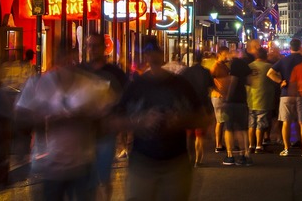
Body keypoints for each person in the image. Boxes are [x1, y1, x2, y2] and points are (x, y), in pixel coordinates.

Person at [16, 49, 114, 201]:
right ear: (57, 60)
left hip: (82, 165)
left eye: (73, 60)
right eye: (65, 60)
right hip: (50, 167)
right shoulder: (40, 83)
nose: (69, 64)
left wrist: (86, 116)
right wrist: (46, 117)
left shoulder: (88, 84)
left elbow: (105, 120)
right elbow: (21, 116)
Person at [114, 38, 206, 201]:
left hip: (176, 161)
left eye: (156, 51)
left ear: (162, 54)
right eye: (149, 52)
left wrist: (180, 121)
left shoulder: (180, 85)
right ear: (145, 56)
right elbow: (114, 120)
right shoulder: (136, 86)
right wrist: (141, 122)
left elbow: (203, 118)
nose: (153, 56)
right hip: (143, 161)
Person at [82, 32, 127, 200]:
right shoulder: (81, 70)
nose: (92, 49)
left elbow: (125, 98)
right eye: (89, 46)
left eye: (95, 46)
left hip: (105, 134)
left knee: (104, 178)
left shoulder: (114, 72)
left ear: (103, 48)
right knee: (86, 180)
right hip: (83, 135)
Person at [267, 38, 302, 157]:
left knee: (286, 122)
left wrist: (280, 81)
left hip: (286, 93)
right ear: (300, 47)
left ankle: (286, 148)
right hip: (301, 93)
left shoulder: (284, 60)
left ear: (290, 48)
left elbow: (269, 73)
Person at [181, 51, 214, 167]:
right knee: (200, 135)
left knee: (189, 135)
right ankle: (198, 161)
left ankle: (190, 157)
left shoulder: (185, 72)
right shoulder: (205, 72)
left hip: (188, 108)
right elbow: (211, 87)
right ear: (202, 60)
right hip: (202, 107)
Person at [221, 48, 252, 166]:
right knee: (242, 129)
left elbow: (233, 80)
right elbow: (249, 82)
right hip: (242, 100)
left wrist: (227, 98)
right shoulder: (245, 65)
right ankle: (243, 155)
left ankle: (230, 156)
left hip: (232, 101)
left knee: (228, 128)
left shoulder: (234, 64)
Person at [247, 48, 275, 154]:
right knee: (261, 123)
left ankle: (251, 145)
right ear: (265, 55)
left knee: (251, 123)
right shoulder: (268, 67)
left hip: (251, 98)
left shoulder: (249, 66)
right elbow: (275, 79)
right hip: (264, 98)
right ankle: (259, 146)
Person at [210, 47, 231, 153]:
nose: (227, 56)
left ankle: (222, 143)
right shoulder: (215, 66)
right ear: (219, 54)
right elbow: (209, 79)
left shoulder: (224, 66)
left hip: (224, 96)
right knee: (220, 121)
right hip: (218, 96)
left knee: (223, 121)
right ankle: (218, 145)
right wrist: (217, 89)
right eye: (225, 54)